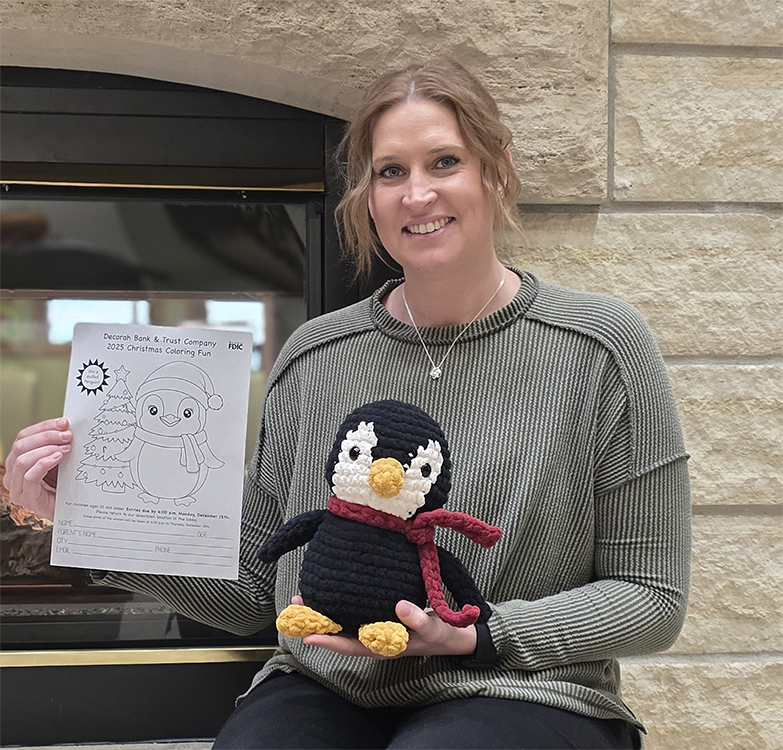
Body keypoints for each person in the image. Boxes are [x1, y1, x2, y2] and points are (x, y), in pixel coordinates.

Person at [3, 59, 690, 749]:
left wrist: (476, 636)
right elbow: (253, 592)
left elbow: (650, 598)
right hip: (325, 684)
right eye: (390, 172)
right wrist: (88, 514)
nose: (416, 194)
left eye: (443, 162)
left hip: (521, 685)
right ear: (366, 196)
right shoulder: (314, 355)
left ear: (497, 170)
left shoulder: (600, 347)